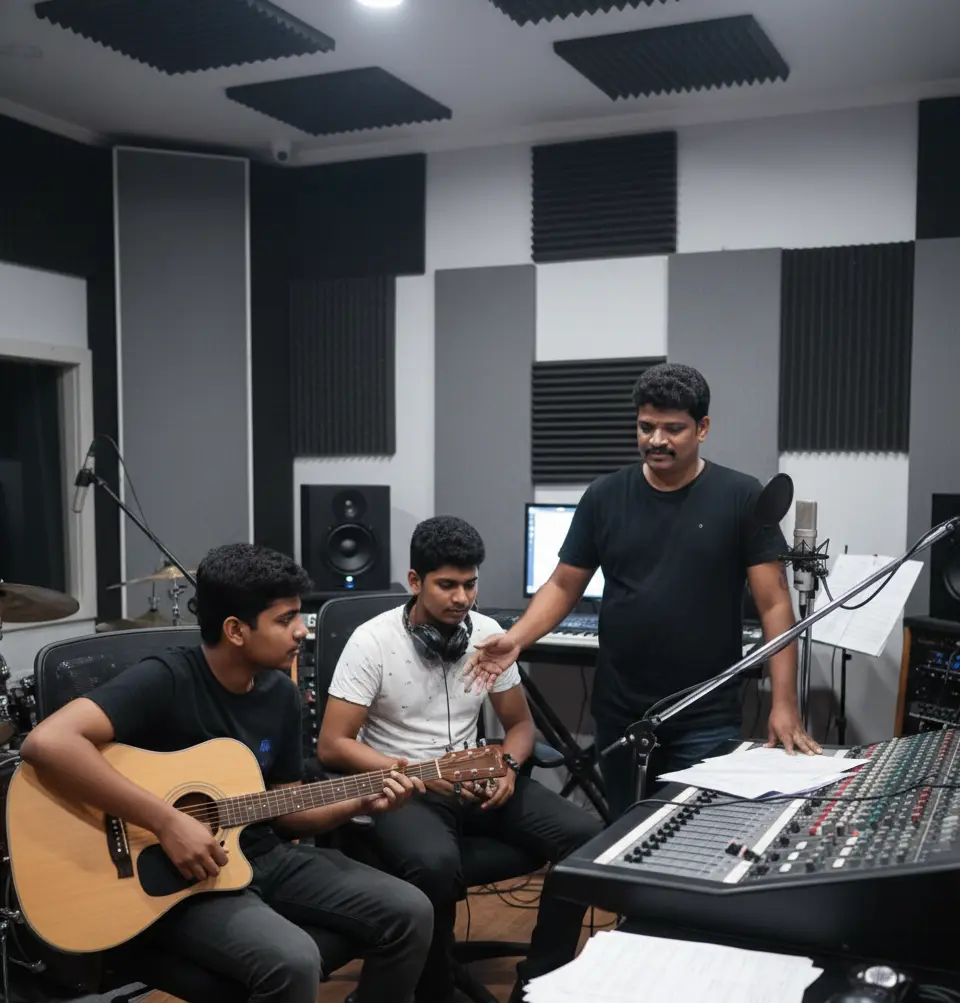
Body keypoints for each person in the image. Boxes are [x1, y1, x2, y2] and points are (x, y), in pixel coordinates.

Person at [19, 543, 434, 1003]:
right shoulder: (166, 678)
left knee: (411, 910)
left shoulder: (282, 694)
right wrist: (167, 821)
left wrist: (358, 801)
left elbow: (286, 811)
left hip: (261, 855)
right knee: (293, 960)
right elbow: (46, 742)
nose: (301, 630)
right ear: (236, 630)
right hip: (175, 878)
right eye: (285, 619)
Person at [464, 362, 821, 819]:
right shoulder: (605, 496)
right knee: (625, 832)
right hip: (622, 714)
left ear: (703, 428)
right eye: (646, 427)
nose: (656, 440)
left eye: (673, 429)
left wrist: (784, 703)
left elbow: (774, 604)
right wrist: (517, 639)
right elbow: (564, 583)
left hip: (706, 715)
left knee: (694, 834)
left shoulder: (741, 496)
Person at [318, 516, 602, 1003]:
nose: (462, 598)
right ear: (415, 581)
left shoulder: (488, 634)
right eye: (447, 585)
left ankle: (539, 979)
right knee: (434, 865)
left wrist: (509, 767)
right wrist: (420, 773)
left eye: (470, 585)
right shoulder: (372, 641)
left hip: (476, 781)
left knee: (587, 838)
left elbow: (520, 727)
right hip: (406, 788)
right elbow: (332, 744)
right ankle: (433, 989)